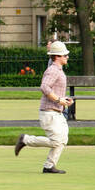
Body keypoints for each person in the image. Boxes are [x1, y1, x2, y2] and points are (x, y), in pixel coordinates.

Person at [14, 40, 73, 174]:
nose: (67, 57)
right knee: (56, 141)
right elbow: (44, 87)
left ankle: (49, 166)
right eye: (64, 55)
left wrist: (64, 100)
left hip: (56, 111)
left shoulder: (58, 70)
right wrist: (59, 100)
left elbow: (54, 90)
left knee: (63, 139)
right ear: (57, 57)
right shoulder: (53, 70)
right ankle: (25, 139)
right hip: (49, 112)